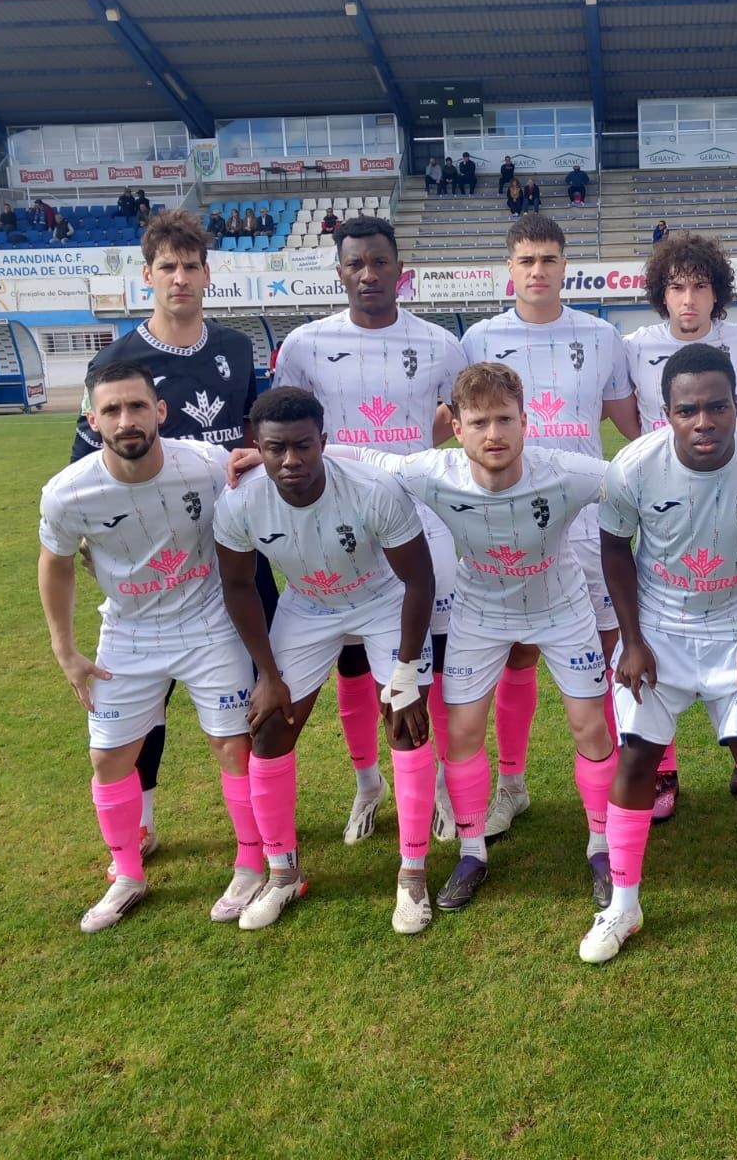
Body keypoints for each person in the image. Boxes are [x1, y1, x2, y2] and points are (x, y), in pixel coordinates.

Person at [333, 363, 623, 913]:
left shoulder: (567, 471)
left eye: (505, 419)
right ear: (457, 428)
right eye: (480, 422)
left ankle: (601, 845)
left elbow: (637, 471)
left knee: (590, 724)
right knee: (462, 731)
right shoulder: (432, 470)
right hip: (478, 612)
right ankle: (471, 853)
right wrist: (264, 459)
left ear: (525, 422)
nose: (494, 434)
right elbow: (365, 456)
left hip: (560, 607)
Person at [585, 343, 737, 964]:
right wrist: (631, 641)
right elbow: (614, 549)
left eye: (718, 406)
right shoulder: (633, 465)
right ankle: (624, 904)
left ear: (736, 404)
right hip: (657, 630)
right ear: (666, 412)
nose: (705, 421)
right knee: (637, 759)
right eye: (688, 409)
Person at [37, 359, 261, 934]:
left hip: (209, 625)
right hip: (129, 633)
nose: (126, 419)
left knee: (234, 748)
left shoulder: (207, 465)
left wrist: (257, 457)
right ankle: (127, 874)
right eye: (111, 409)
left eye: (137, 406)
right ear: (92, 419)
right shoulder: (68, 492)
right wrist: (66, 650)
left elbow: (255, 480)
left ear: (159, 411)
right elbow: (56, 564)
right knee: (108, 757)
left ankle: (249, 861)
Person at [70, 210, 265, 858]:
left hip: (234, 555)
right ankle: (144, 820)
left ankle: (260, 825)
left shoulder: (236, 349)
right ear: (147, 275)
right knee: (144, 700)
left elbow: (250, 439)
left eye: (191, 266)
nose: (180, 278)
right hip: (152, 564)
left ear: (208, 274)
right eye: (167, 267)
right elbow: (82, 470)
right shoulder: (118, 360)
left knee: (252, 695)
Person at [271, 215, 468, 847]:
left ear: (398, 271)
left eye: (379, 263)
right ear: (339, 273)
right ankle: (366, 785)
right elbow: (287, 431)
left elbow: (450, 421)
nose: (367, 274)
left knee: (421, 661)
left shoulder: (441, 344)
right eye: (355, 264)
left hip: (417, 526)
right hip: (332, 527)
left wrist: (401, 456)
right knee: (351, 665)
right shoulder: (303, 345)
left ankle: (434, 784)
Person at [214, 387, 437, 930]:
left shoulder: (372, 490)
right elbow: (240, 586)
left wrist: (406, 672)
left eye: (303, 446)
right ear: (255, 447)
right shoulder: (240, 503)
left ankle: (412, 873)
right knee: (268, 729)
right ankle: (282, 873)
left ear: (324, 442)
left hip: (382, 600)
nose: (290, 461)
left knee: (406, 724)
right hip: (308, 605)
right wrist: (267, 675)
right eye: (275, 449)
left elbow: (418, 580)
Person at [459, 214, 639, 841]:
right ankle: (511, 783)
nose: (538, 271)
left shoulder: (601, 335)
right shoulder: (479, 337)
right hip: (504, 524)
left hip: (587, 522)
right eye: (527, 260)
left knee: (608, 654)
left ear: (567, 266)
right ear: (508, 268)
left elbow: (633, 426)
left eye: (550, 259)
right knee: (516, 652)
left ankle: (615, 786)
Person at [623, 231, 737, 821]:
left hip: (732, 495)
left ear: (718, 291)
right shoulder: (632, 345)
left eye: (700, 286)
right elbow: (630, 421)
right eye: (677, 287)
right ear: (661, 294)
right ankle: (662, 773)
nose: (689, 299)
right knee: (660, 643)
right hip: (665, 503)